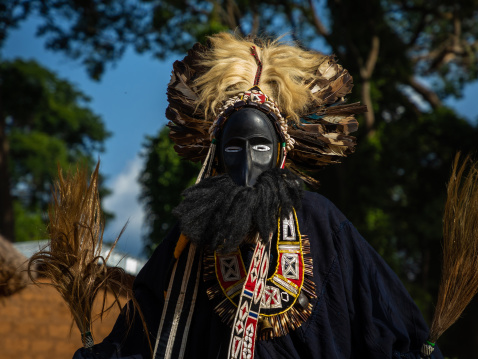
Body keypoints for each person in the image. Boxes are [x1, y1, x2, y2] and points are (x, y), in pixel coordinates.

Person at [74, 32, 443, 359]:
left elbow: (380, 317)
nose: (248, 164)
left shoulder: (322, 223)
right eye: (234, 148)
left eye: (260, 147)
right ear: (216, 154)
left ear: (280, 152)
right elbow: (143, 329)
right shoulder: (190, 238)